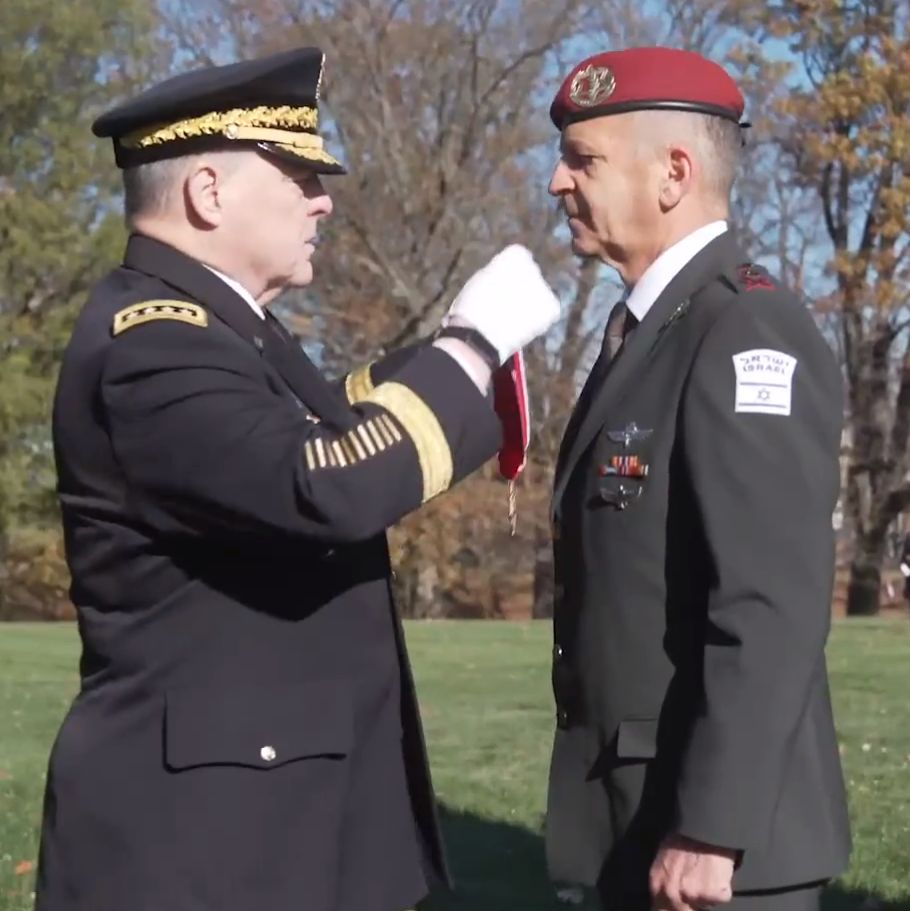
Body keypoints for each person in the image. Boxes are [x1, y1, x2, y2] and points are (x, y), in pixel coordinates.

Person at [35, 46, 560, 911]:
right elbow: (323, 481)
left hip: (264, 823)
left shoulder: (227, 333)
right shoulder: (154, 344)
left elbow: (332, 423)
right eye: (298, 175)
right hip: (207, 845)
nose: (322, 200)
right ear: (208, 192)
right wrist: (469, 344)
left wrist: (451, 356)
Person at [544, 47, 851, 911]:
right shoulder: (654, 331)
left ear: (674, 173)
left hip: (713, 853)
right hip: (643, 815)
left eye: (582, 160)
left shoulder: (745, 327)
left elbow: (769, 602)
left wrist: (713, 826)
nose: (558, 182)